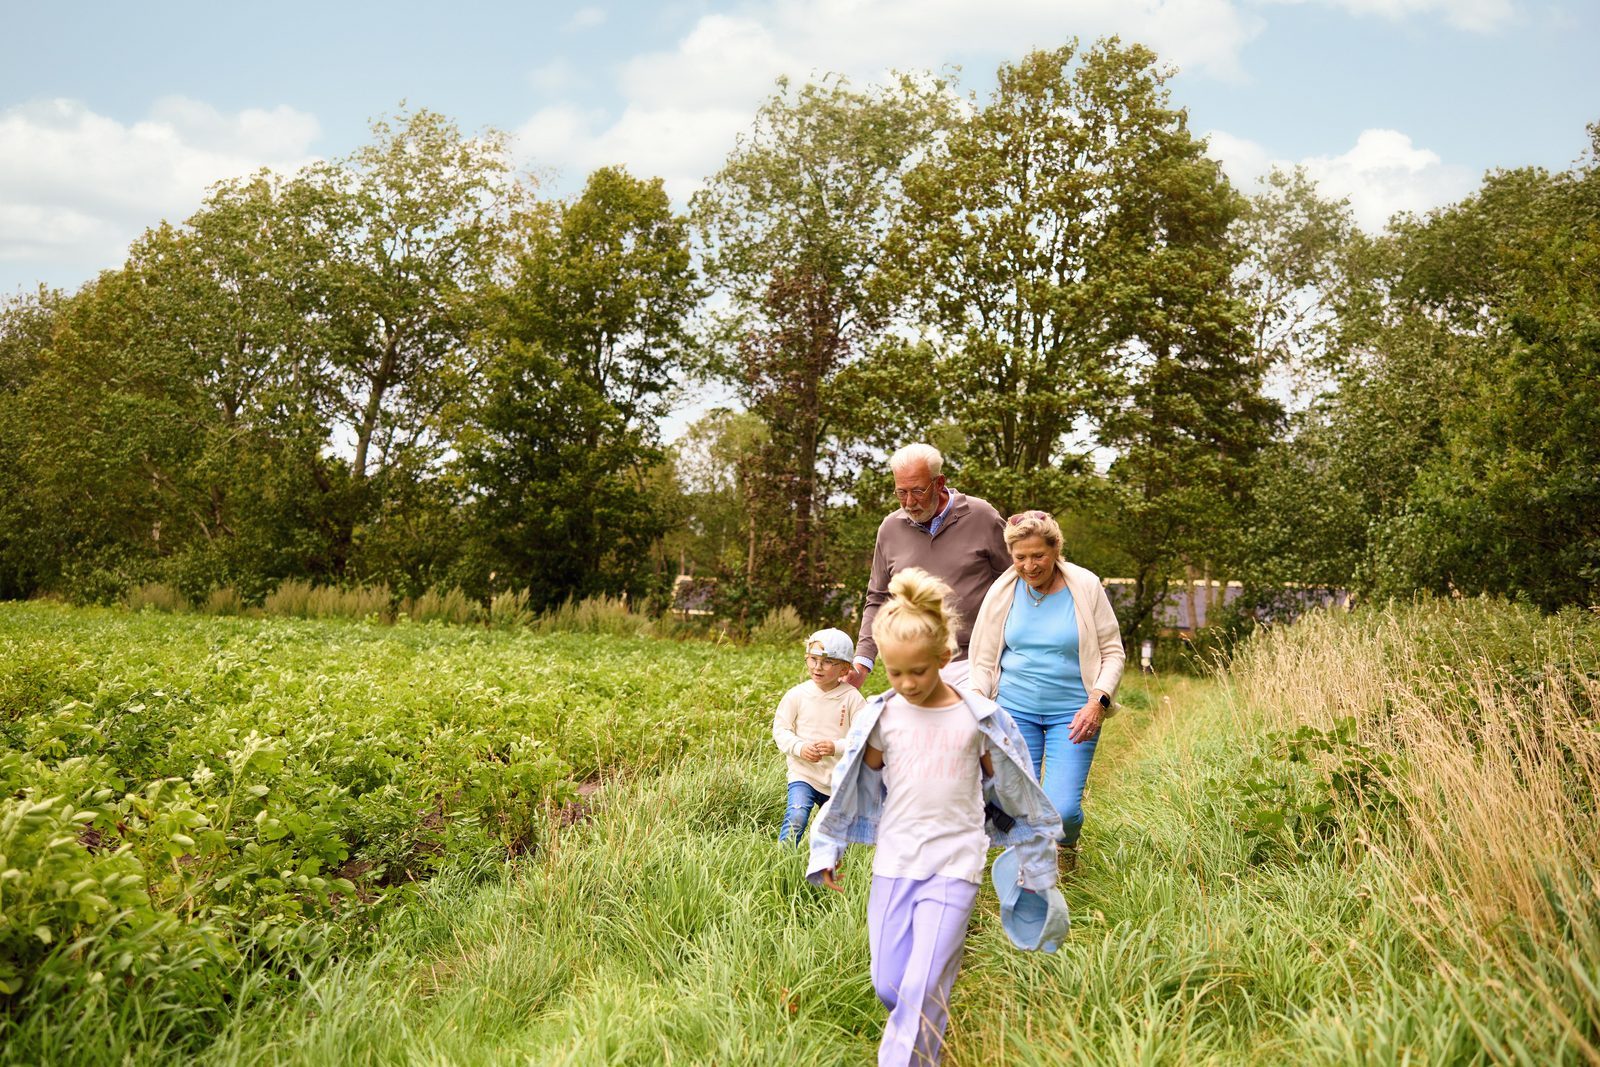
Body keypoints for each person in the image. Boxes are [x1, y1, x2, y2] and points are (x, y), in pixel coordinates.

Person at [808, 568, 1067, 1067]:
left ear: (944, 660)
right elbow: (847, 790)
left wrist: (1037, 868)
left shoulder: (979, 719)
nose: (906, 684)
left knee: (923, 983)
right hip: (895, 861)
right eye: (895, 673)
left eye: (918, 673)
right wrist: (828, 848)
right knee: (890, 985)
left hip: (955, 864)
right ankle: (925, 1041)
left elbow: (1015, 799)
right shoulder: (882, 718)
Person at [966, 510, 1126, 870]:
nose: (1029, 565)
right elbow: (983, 659)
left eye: (1038, 555)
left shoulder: (1085, 587)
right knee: (1010, 802)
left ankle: (1066, 845)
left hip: (1073, 715)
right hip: (1014, 709)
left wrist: (1097, 701)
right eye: (1020, 557)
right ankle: (1028, 873)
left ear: (1056, 550)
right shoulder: (1002, 591)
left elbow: (1113, 653)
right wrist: (978, 703)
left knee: (1064, 810)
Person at [848, 443, 1010, 690]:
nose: (910, 502)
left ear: (939, 482)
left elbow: (1013, 582)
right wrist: (862, 662)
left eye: (918, 491)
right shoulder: (890, 529)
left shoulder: (982, 516)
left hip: (978, 658)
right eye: (901, 492)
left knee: (964, 724)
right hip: (916, 661)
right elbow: (878, 598)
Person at [772, 628, 868, 843]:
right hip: (804, 773)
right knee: (796, 815)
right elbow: (781, 729)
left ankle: (830, 867)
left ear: (844, 668)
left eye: (826, 662)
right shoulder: (797, 695)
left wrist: (837, 747)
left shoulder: (852, 698)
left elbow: (864, 736)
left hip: (839, 779)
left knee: (835, 832)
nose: (817, 667)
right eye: (813, 659)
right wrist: (799, 747)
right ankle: (782, 863)